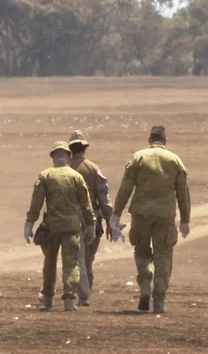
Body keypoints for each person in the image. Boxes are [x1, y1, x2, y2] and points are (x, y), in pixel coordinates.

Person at [111, 126, 191, 314]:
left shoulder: (138, 158)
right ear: (165, 141)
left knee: (141, 250)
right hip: (165, 215)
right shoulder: (175, 160)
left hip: (141, 214)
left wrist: (116, 213)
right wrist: (185, 220)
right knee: (163, 256)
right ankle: (159, 300)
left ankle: (145, 279)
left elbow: (125, 188)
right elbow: (183, 193)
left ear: (149, 139)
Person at [25, 141, 96, 312]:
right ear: (68, 156)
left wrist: (29, 224)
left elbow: (36, 203)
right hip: (72, 227)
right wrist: (91, 225)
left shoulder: (45, 176)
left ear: (52, 157)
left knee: (49, 264)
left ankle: (48, 298)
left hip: (52, 228)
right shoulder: (76, 177)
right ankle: (69, 300)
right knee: (71, 264)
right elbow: (86, 205)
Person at [67, 130, 114, 306]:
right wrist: (109, 222)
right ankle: (85, 294)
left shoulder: (64, 169)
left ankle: (83, 294)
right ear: (85, 148)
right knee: (88, 258)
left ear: (69, 150)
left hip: (70, 219)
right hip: (93, 219)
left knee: (79, 258)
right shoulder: (94, 169)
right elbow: (103, 198)